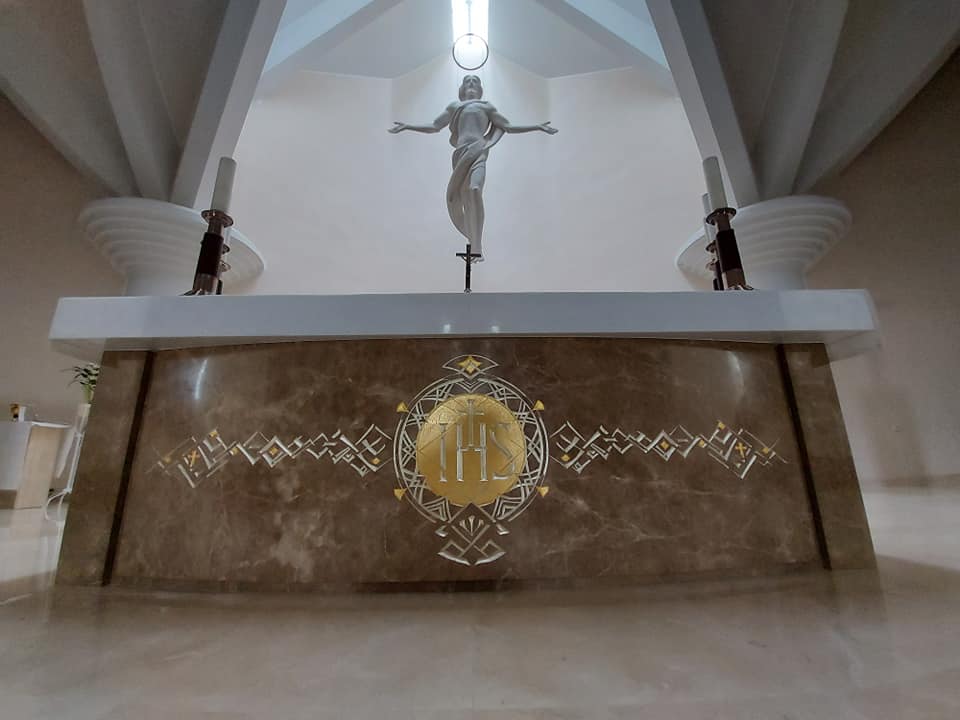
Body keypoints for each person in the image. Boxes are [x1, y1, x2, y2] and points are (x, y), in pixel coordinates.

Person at [389, 75, 557, 259]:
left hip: (479, 151)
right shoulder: (454, 106)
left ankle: (477, 244)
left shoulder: (487, 107)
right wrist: (408, 126)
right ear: (462, 88)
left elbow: (508, 126)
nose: (471, 83)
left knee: (474, 189)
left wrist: (537, 127)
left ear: (480, 88)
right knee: (459, 196)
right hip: (461, 154)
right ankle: (474, 242)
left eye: (475, 81)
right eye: (467, 80)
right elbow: (435, 125)